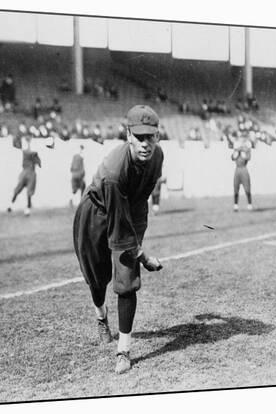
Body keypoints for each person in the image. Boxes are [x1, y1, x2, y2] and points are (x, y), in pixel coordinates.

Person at [73, 105, 164, 375]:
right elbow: (118, 223)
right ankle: (101, 317)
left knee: (126, 279)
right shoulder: (114, 171)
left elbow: (137, 205)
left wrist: (136, 253)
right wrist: (143, 254)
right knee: (97, 278)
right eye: (140, 137)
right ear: (128, 136)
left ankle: (123, 350)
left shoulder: (158, 157)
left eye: (151, 137)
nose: (146, 144)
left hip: (130, 209)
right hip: (97, 212)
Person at [8, 138, 42, 216]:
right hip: (28, 172)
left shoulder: (29, 152)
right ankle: (15, 206)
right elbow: (39, 163)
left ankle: (23, 208)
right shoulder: (30, 153)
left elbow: (39, 163)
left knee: (24, 191)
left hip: (27, 172)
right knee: (22, 191)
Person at [232, 136, 253, 211]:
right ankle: (235, 205)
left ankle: (250, 204)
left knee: (247, 188)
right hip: (237, 169)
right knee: (236, 187)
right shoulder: (236, 150)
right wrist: (237, 151)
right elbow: (233, 157)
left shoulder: (246, 149)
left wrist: (243, 150)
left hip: (244, 168)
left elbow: (247, 157)